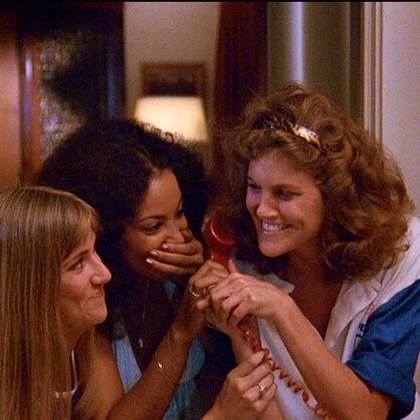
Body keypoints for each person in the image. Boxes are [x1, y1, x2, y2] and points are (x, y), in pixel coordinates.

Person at [189, 83, 420, 419]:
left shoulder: (403, 252)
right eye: (254, 187)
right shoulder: (238, 262)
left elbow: (366, 414)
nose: (263, 210)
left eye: (284, 194)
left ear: (335, 196)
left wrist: (283, 309)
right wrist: (241, 333)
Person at [35, 119, 245, 418]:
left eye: (180, 213)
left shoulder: (179, 280)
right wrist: (181, 332)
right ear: (107, 234)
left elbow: (226, 378)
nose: (179, 234)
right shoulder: (89, 298)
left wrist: (195, 282)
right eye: (154, 226)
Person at [0, 185, 112, 419]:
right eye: (78, 263)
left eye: (93, 252)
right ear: (27, 288)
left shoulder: (87, 354)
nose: (104, 274)